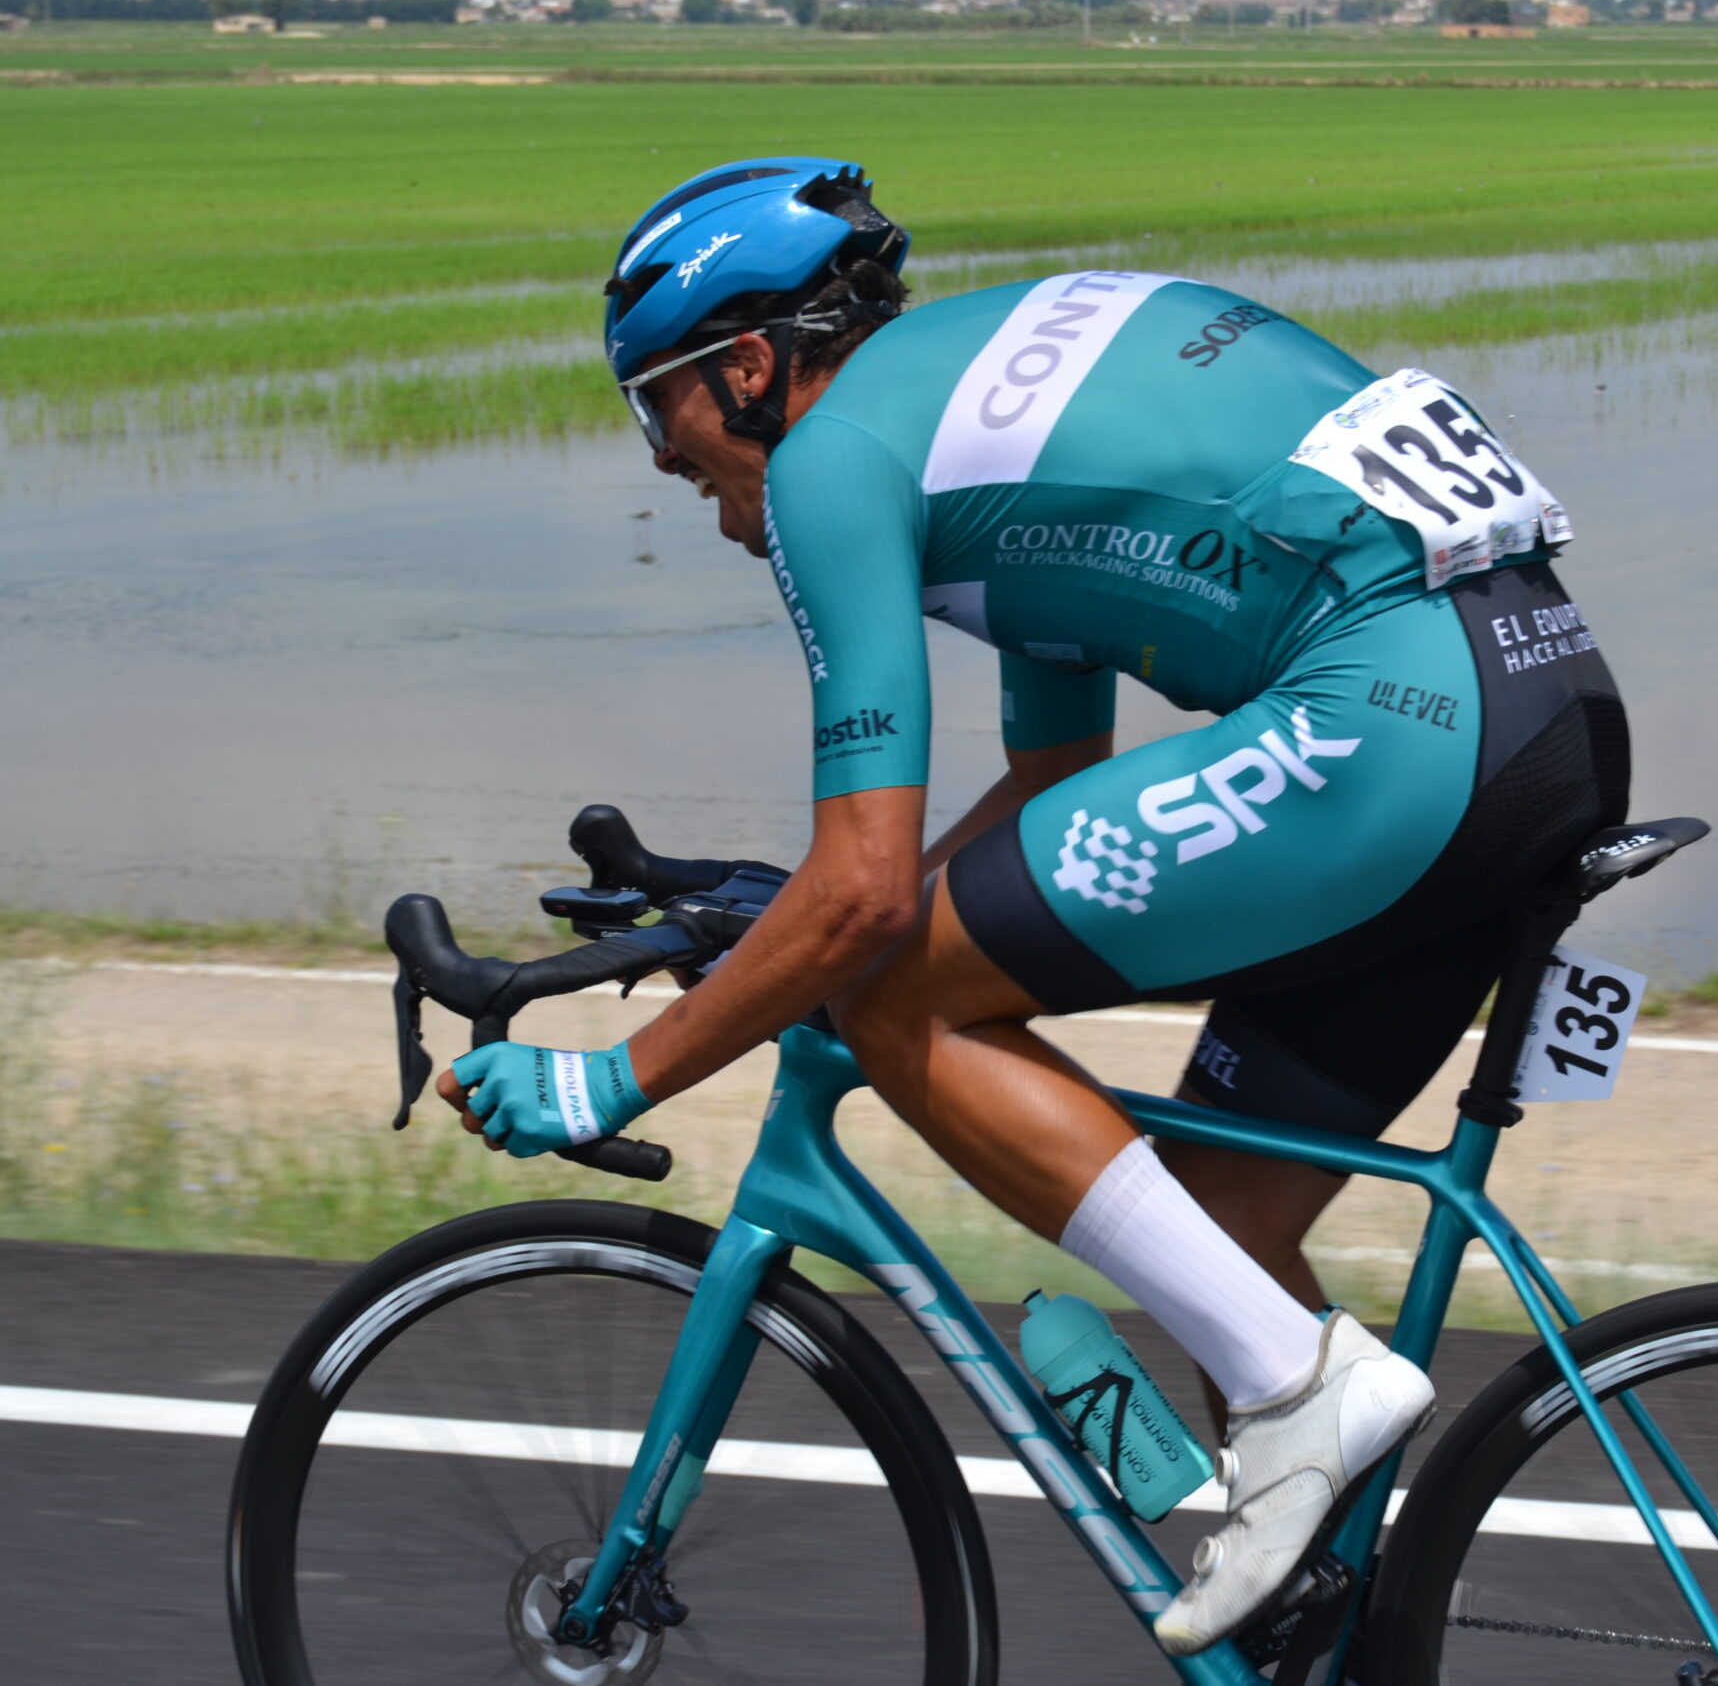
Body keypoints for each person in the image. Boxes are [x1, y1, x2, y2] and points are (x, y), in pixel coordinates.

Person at [439, 156, 1628, 1655]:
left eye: (655, 403)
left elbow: (869, 898)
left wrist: (612, 1078)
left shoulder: (827, 462)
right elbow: (1048, 784)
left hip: (1401, 726)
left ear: (745, 366)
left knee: (891, 997)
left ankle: (1302, 1386)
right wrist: (792, 926)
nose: (665, 461)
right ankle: (1322, 1610)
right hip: (1539, 714)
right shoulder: (972, 412)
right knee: (1217, 1233)